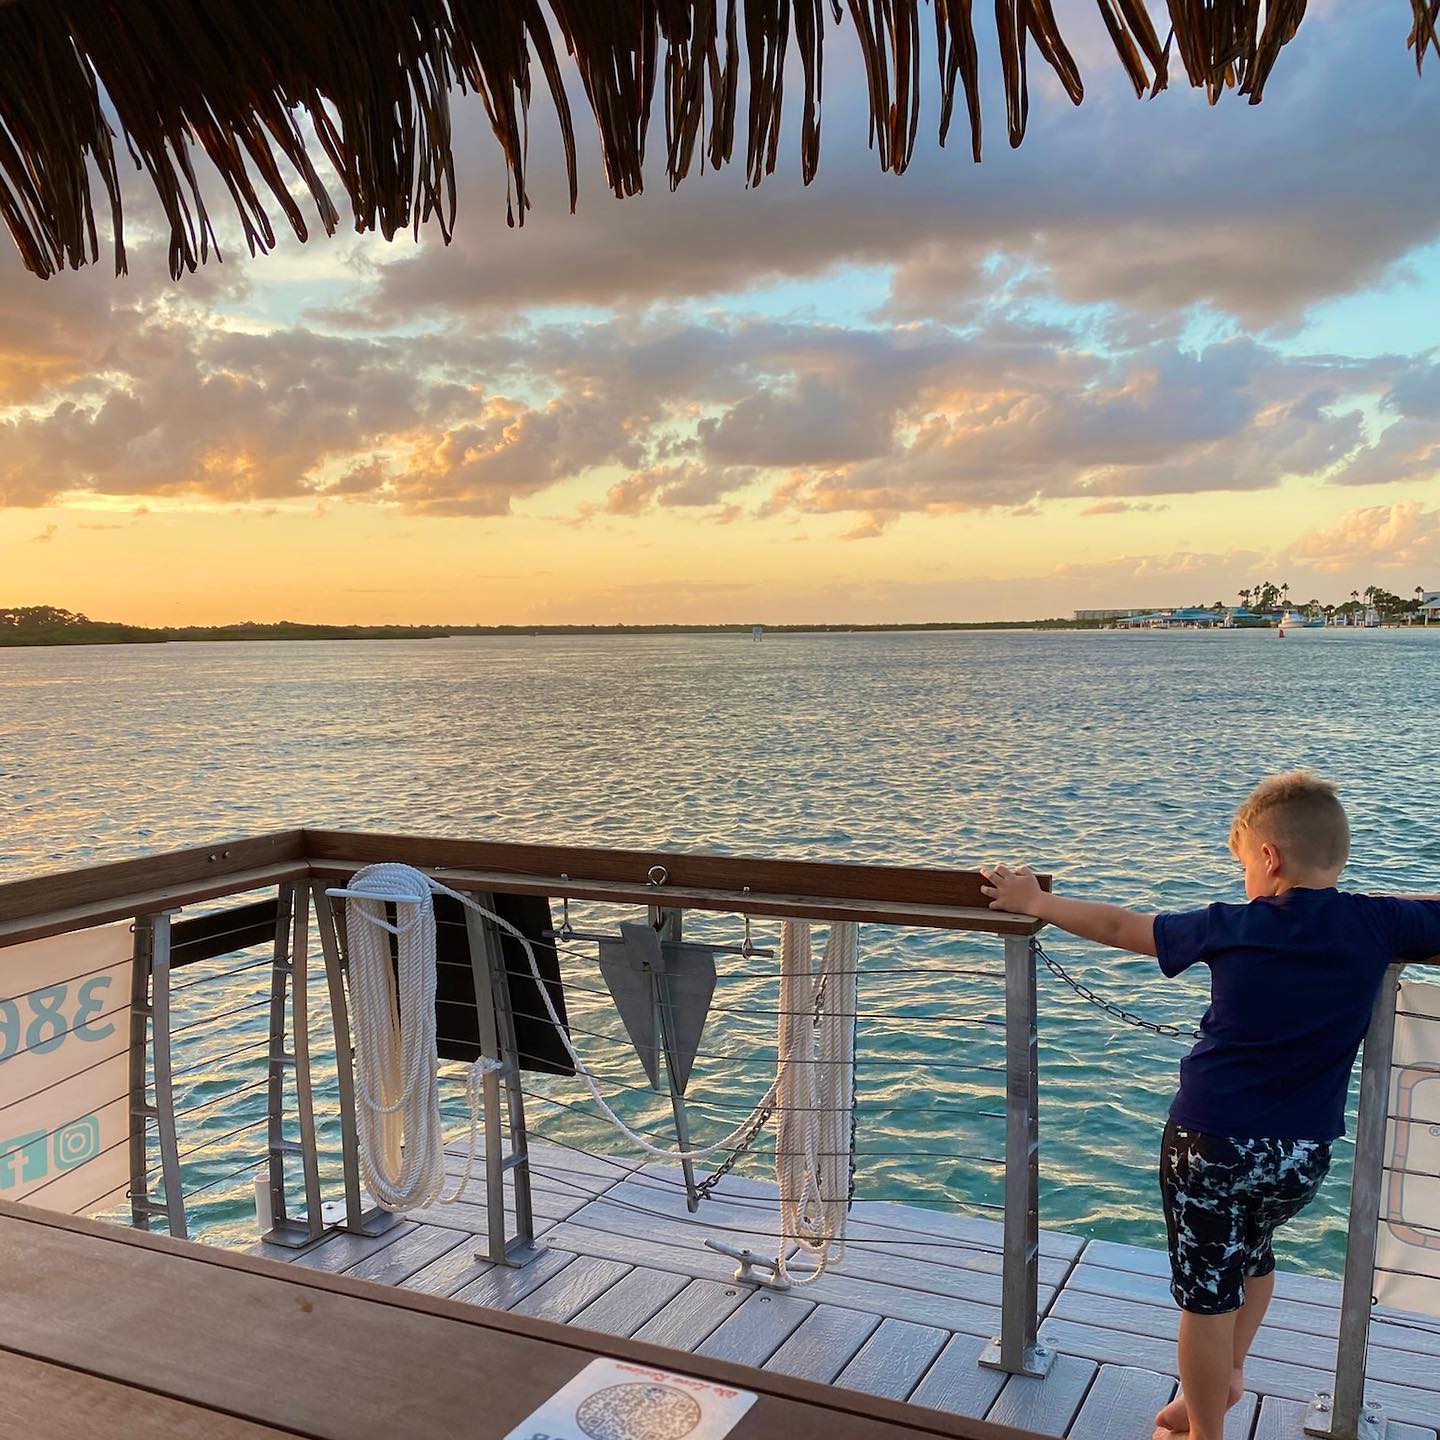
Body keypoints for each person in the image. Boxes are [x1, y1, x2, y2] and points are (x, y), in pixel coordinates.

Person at [979, 771, 1440, 1440]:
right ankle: (1225, 1379)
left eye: (1244, 865)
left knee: (1204, 1300)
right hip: (1300, 1157)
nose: (1245, 881)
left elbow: (1119, 925)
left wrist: (1035, 902)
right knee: (1255, 1257)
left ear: (1269, 859)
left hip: (1211, 1143)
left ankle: (1204, 1433)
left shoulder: (1233, 925)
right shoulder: (1379, 921)